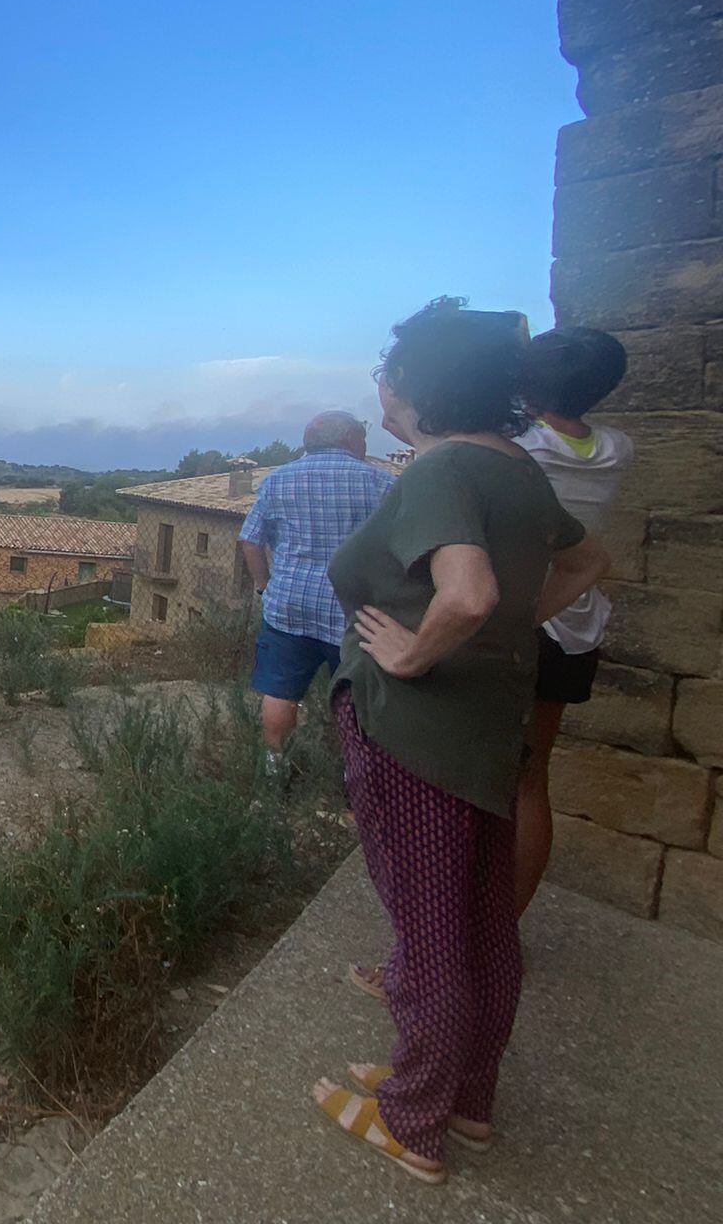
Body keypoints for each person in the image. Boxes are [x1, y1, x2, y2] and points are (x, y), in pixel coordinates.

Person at [312, 300, 609, 1184]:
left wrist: (411, 652)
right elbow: (589, 563)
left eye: (389, 369)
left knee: (430, 928)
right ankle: (463, 1098)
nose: (381, 384)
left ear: (417, 385)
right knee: (482, 921)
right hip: (488, 724)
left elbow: (469, 592)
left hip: (418, 732)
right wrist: (511, 628)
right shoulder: (517, 466)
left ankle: (412, 1121)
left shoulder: (440, 469)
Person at [514, 327, 632, 916]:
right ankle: (506, 924)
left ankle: (467, 935)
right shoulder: (616, 448)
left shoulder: (525, 449)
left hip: (521, 623)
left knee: (483, 780)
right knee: (532, 781)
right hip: (576, 623)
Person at [237, 410, 393, 771]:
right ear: (352, 441)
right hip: (355, 612)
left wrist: (265, 587)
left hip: (289, 605)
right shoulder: (381, 484)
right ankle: (353, 779)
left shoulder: (278, 480)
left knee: (279, 692)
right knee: (356, 698)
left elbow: (249, 540)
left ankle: (275, 772)